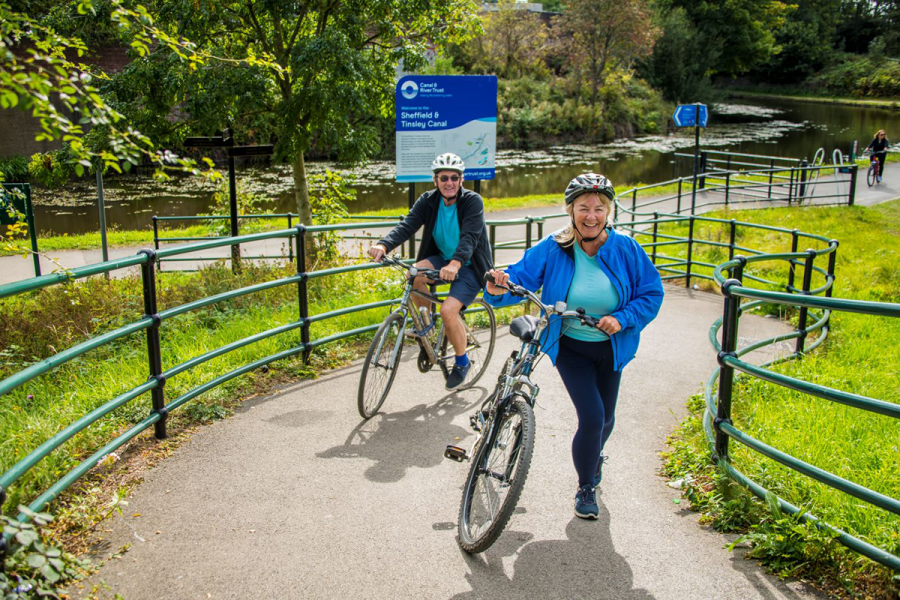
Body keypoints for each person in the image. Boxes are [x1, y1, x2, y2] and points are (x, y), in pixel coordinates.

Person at [482, 173, 664, 520]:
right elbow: (518, 279)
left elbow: (651, 293)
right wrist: (497, 286)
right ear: (571, 211)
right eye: (583, 208)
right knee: (593, 417)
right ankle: (585, 487)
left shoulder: (626, 248)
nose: (591, 215)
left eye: (599, 208)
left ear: (608, 212)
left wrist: (623, 317)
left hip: (611, 347)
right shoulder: (554, 246)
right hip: (570, 345)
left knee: (606, 419)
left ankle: (593, 461)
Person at [368, 153, 493, 391]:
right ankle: (427, 326)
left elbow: (469, 238)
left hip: (469, 265)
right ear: (435, 180)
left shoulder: (472, 201)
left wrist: (455, 264)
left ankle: (461, 361)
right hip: (442, 259)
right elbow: (407, 225)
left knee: (448, 311)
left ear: (461, 180)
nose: (449, 182)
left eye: (454, 178)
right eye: (444, 177)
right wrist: (383, 245)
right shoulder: (428, 200)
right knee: (413, 274)